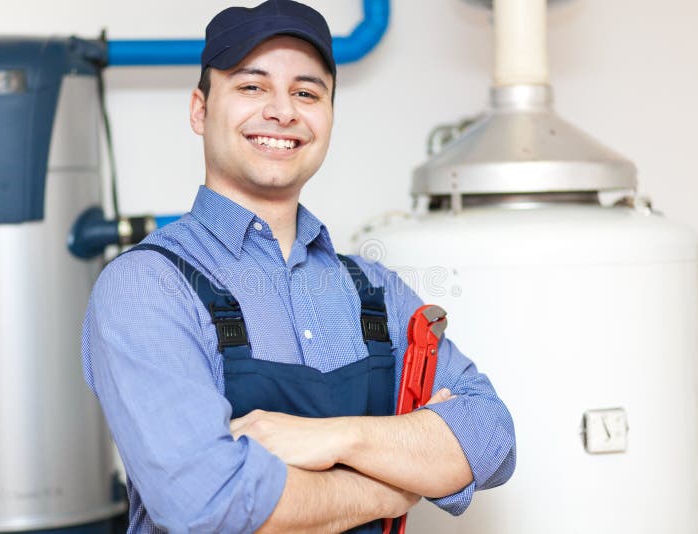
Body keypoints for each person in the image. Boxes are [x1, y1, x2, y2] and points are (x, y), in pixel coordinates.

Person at [82, 1, 516, 532]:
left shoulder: (374, 289)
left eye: (307, 93)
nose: (283, 111)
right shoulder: (146, 285)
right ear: (200, 110)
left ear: (329, 117)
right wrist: (393, 486)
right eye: (252, 86)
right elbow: (209, 506)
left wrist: (335, 437)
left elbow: (490, 437)